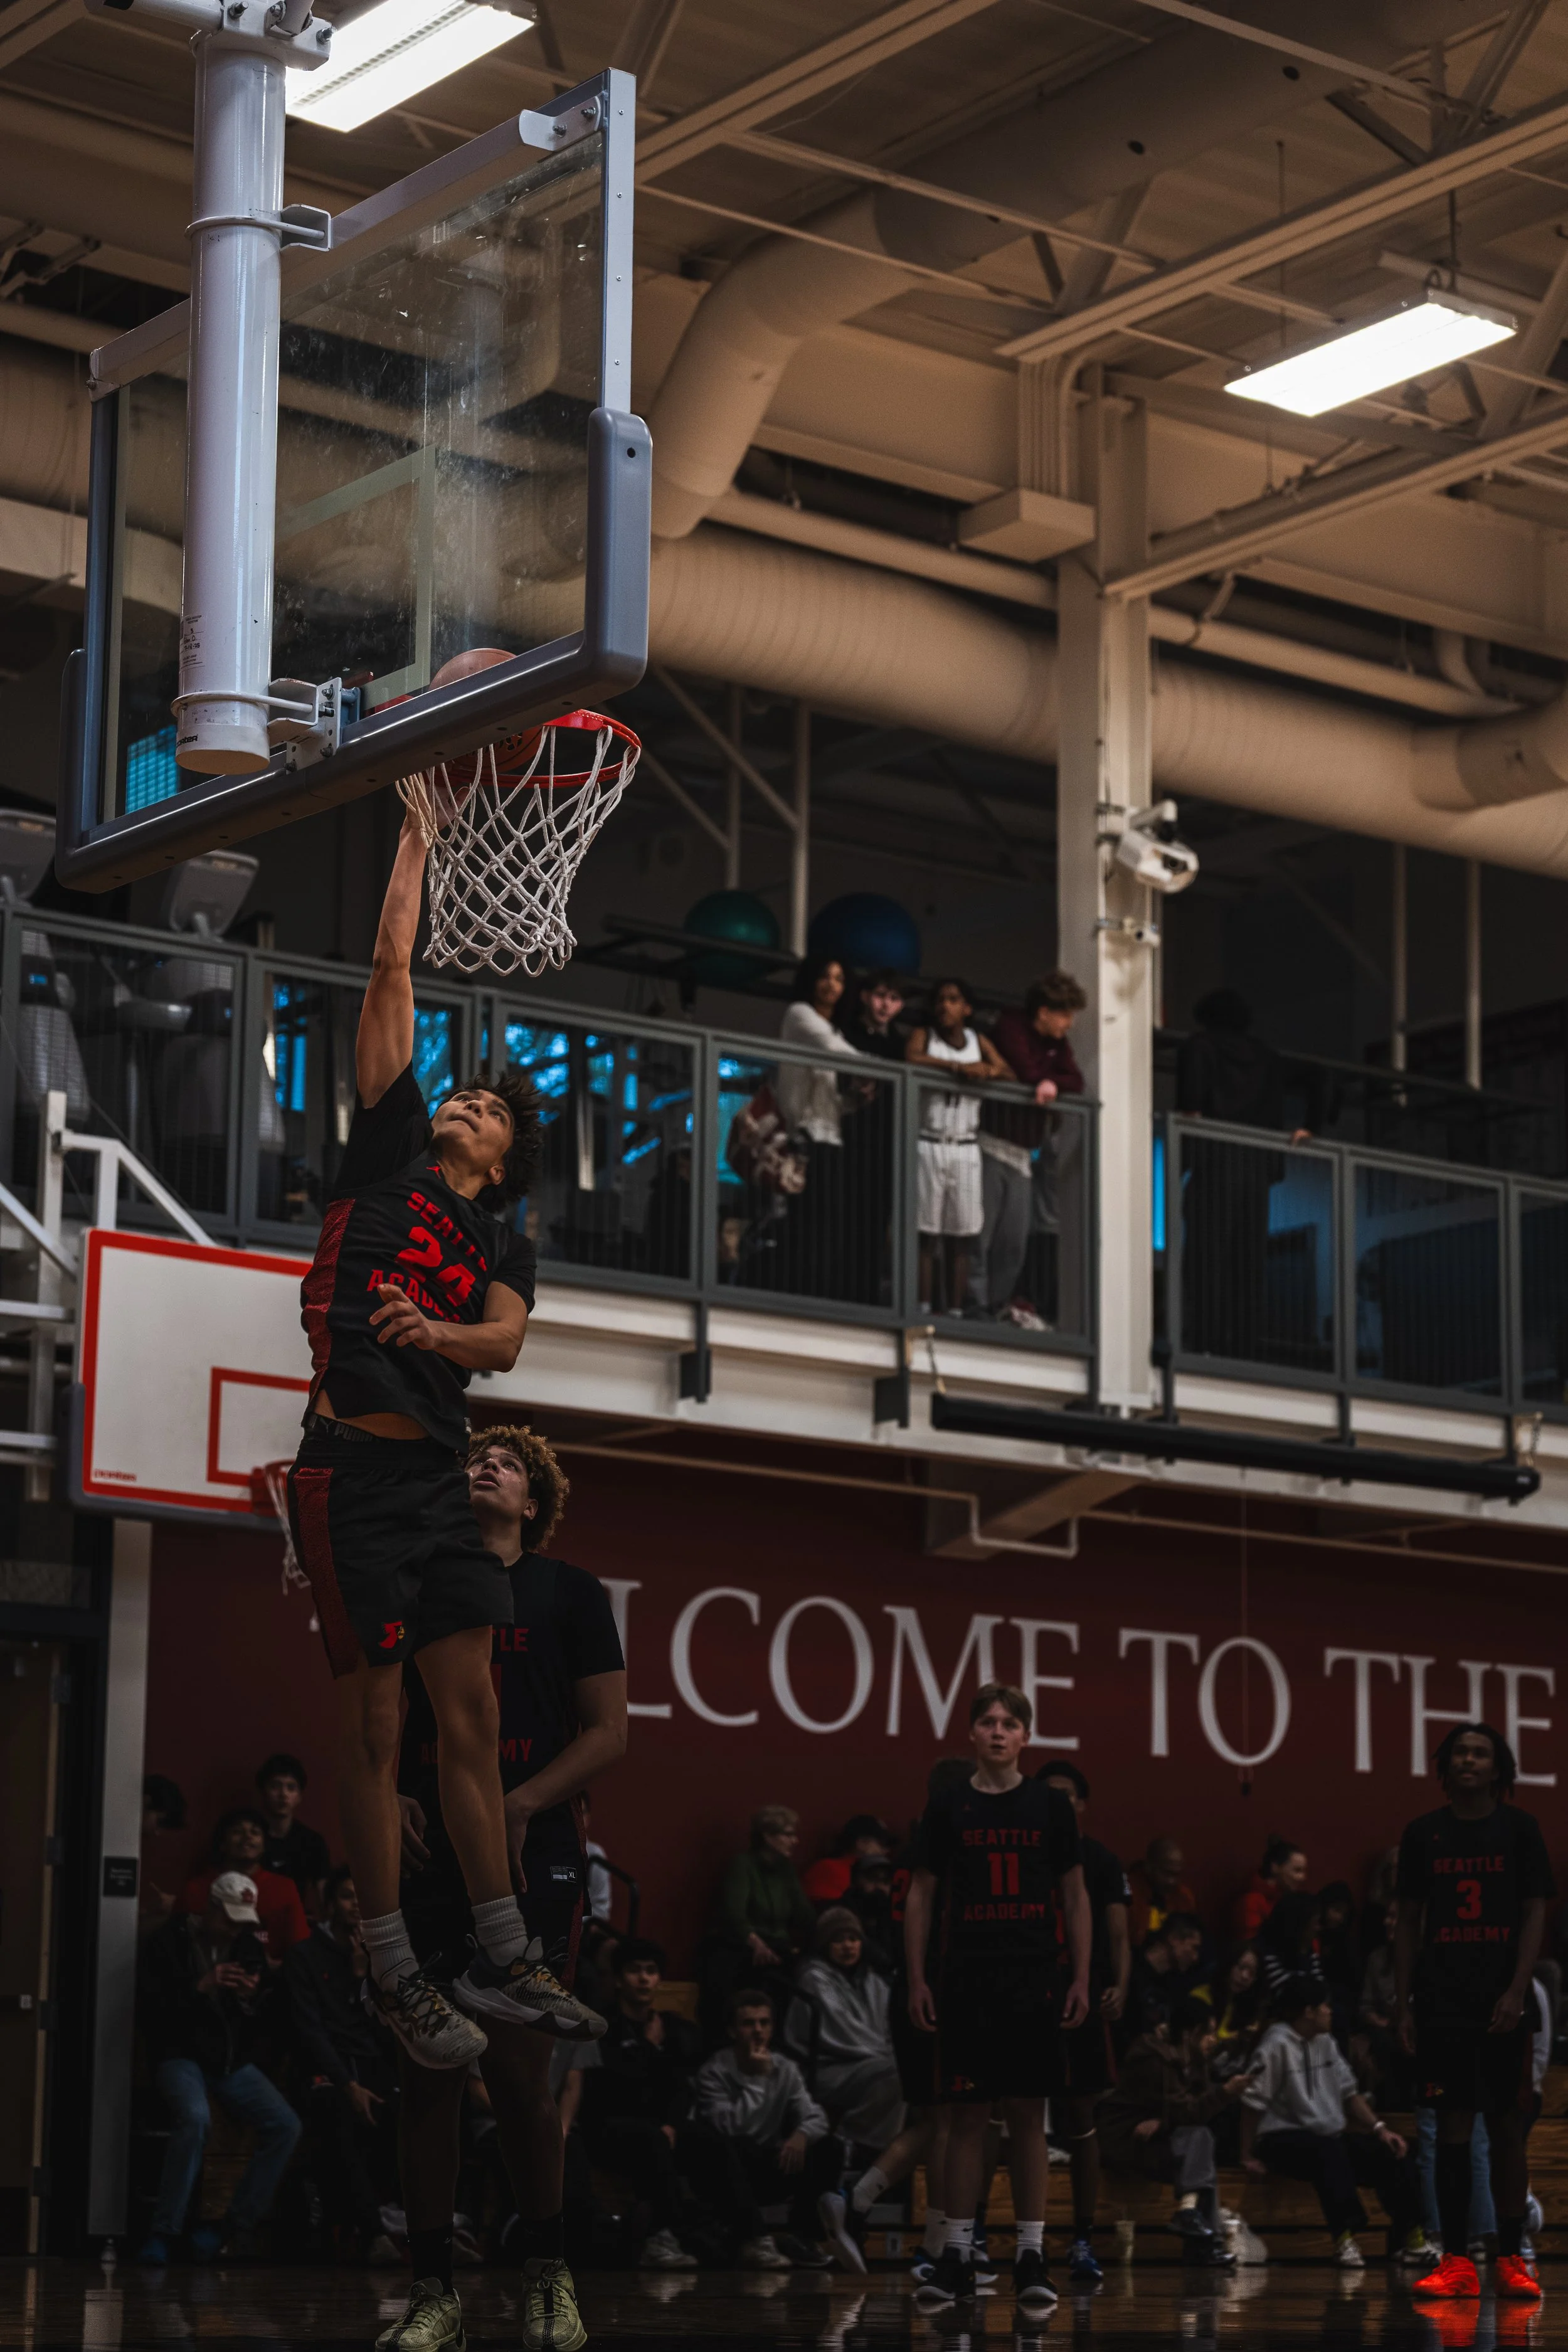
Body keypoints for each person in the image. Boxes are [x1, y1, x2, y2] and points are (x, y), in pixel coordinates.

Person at [284, 776, 595, 2065]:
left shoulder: (502, 1235)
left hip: (434, 1487)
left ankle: (504, 1952)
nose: (464, 1105)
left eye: (487, 1108)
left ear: (507, 1152)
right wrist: (420, 827)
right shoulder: (388, 1158)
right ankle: (392, 1966)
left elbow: (507, 1342)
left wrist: (439, 1334)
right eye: (459, 1098)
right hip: (350, 1471)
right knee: (375, 1725)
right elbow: (390, 965)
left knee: (467, 1714)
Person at [385, 1422, 627, 2352]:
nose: (486, 1464)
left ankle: (548, 2273)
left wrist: (518, 1803)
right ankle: (433, 2291)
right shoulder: (419, 1578)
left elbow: (610, 1732)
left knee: (522, 2076)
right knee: (426, 2076)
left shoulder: (569, 1591)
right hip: (428, 1846)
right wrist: (396, 1796)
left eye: (510, 1464)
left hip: (537, 1847)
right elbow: (384, 1715)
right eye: (474, 1458)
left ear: (534, 1504)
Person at [904, 1683, 1091, 2313]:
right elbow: (921, 1896)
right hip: (964, 1977)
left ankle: (1031, 2255)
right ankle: (958, 2254)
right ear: (971, 1734)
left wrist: (1082, 1977)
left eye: (1009, 1722)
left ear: (1025, 1736)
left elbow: (1075, 1895)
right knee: (963, 2118)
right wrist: (917, 1978)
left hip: (1032, 1975)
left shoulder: (1050, 1806)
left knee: (1027, 2117)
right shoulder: (947, 1805)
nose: (997, 1731)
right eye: (987, 1721)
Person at [1394, 1720, 1555, 2302]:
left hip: (1503, 2003)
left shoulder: (1520, 1830)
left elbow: (1536, 1912)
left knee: (1509, 2131)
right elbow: (1408, 1923)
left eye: (1480, 1752)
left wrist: (1517, 1990)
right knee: (1453, 2131)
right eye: (1459, 1751)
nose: (1468, 1760)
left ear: (1498, 1768)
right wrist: (1404, 2001)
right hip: (1442, 2002)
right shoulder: (1422, 1835)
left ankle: (1512, 2256)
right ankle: (1457, 2259)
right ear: (1445, 1765)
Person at [136, 1871, 303, 2263]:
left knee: (286, 2125)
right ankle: (164, 2231)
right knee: (195, 2120)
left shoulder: (245, 1945)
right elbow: (153, 2013)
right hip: (178, 2055)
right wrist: (201, 1987)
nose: (234, 1929)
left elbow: (258, 2017)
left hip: (227, 2060)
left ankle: (230, 2226)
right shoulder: (168, 1942)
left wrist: (249, 1999)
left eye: (242, 1920)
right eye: (229, 1919)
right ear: (210, 1909)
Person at [1241, 1976, 1431, 2270]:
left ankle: (1411, 2239)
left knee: (1397, 2151)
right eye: (1325, 2006)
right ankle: (1344, 2239)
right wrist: (1247, 2154)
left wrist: (1381, 2129)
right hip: (1281, 2139)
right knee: (1327, 2151)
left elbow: (1350, 2094)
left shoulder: (1326, 2042)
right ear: (1308, 2011)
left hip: (1328, 2138)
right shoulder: (1275, 2044)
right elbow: (1253, 2104)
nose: (1331, 2011)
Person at [787, 1908, 928, 2272]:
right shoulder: (813, 1978)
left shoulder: (873, 1980)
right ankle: (858, 2148)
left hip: (872, 2063)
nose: (848, 1946)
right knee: (897, 2075)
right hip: (830, 2067)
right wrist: (893, 2058)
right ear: (825, 1945)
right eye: (839, 1940)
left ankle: (865, 2177)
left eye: (853, 1939)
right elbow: (843, 2036)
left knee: (918, 2085)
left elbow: (889, 2030)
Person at [1036, 1756, 1131, 2284]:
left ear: (1082, 1803)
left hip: (1082, 1996)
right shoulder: (1026, 1853)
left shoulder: (1099, 1860)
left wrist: (1119, 1983)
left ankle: (1082, 2239)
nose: (1058, 1803)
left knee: (1081, 2120)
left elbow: (1118, 1934)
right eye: (1048, 1793)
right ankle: (987, 2235)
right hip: (1029, 1993)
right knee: (1012, 2115)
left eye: (1066, 1794)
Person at [1175, 990, 1308, 1362]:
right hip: (1256, 1167)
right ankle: (1244, 1346)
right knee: (1247, 1259)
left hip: (1215, 1161)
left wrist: (1180, 1165)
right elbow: (1318, 1078)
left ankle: (1203, 1342)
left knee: (1205, 1254)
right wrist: (1311, 1126)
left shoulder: (1199, 1048)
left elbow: (1192, 1107)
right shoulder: (1267, 1057)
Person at [284, 1865, 400, 2262]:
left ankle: (426, 2226)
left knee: (413, 2114)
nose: (357, 1906)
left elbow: (385, 2035)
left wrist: (364, 1975)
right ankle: (373, 2233)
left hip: (372, 2069)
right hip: (325, 2071)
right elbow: (310, 2031)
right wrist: (347, 2085)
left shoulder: (381, 1956)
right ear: (331, 1903)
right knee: (339, 2117)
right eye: (349, 1896)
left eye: (364, 1897)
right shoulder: (304, 1955)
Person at [686, 1989, 837, 2270]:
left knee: (829, 2147)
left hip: (768, 2165)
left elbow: (816, 2117)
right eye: (749, 2024)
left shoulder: (784, 2067)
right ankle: (752, 2238)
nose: (758, 2031)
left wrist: (801, 2135)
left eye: (764, 2023)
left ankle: (802, 2237)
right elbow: (733, 2128)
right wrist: (758, 2079)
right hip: (727, 2174)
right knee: (738, 2145)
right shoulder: (715, 2071)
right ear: (733, 2031)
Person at [578, 1937, 701, 2271]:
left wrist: (673, 2123)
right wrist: (649, 2049)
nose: (644, 1979)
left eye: (651, 1971)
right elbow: (614, 2092)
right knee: (651, 2139)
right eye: (635, 1971)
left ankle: (748, 2236)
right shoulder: (603, 2027)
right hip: (608, 2129)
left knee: (710, 2138)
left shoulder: (672, 2028)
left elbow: (682, 2088)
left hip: (660, 2128)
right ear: (619, 1979)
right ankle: (661, 2237)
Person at [1095, 1995, 1246, 2264]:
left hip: (1160, 2138)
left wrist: (1164, 2122)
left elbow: (1181, 2112)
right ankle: (1197, 2230)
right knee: (1200, 2141)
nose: (1213, 2040)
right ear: (1190, 2033)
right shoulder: (1154, 2058)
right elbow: (1187, 2111)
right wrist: (1225, 2093)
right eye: (1208, 2033)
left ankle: (1201, 2236)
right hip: (1127, 2139)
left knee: (1201, 2149)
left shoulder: (1194, 2061)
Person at [975, 972, 1087, 1327]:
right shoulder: (1011, 1027)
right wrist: (1045, 1075)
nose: (1069, 1024)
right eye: (1065, 1015)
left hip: (1023, 1152)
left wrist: (1051, 1079)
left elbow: (1075, 1079)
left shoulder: (1057, 1044)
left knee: (1014, 1240)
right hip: (991, 1143)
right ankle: (974, 1302)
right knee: (981, 1232)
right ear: (1044, 1012)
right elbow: (1024, 1069)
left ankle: (998, 1303)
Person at [906, 978, 1014, 1315]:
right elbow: (912, 1059)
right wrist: (956, 1068)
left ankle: (955, 1310)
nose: (945, 1006)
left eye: (953, 1000)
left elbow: (1009, 1074)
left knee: (962, 1235)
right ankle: (922, 1307)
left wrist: (988, 1070)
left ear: (967, 1008)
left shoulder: (978, 1041)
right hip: (929, 1140)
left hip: (966, 1145)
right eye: (940, 999)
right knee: (927, 1233)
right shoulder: (925, 1036)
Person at [773, 954, 868, 1300]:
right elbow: (831, 1050)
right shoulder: (799, 1015)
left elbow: (832, 1095)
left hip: (831, 1136)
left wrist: (855, 1100)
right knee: (806, 1224)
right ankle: (797, 1297)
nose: (832, 985)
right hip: (803, 1135)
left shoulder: (837, 1031)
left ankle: (820, 1296)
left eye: (840, 978)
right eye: (826, 976)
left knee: (829, 1226)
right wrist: (873, 1068)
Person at [707, 1806, 818, 2032]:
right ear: (767, 1836)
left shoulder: (785, 1869)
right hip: (744, 1949)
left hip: (779, 1949)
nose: (794, 1841)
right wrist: (757, 1944)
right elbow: (734, 1915)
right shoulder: (743, 1865)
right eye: (787, 1834)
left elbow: (803, 1913)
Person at [181, 1808, 309, 1957]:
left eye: (255, 1833)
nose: (247, 1837)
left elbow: (301, 1949)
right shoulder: (196, 1889)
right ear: (222, 1844)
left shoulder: (284, 1888)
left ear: (264, 1846)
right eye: (237, 1832)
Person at [256, 1752, 331, 1912]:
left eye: (291, 1787)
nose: (283, 1795)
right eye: (276, 1786)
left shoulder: (311, 1842)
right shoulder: (249, 1838)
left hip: (293, 1924)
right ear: (264, 1791)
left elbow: (324, 1896)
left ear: (299, 1796)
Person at [1129, 1914, 1205, 2037]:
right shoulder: (1130, 1966)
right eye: (1194, 1947)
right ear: (1174, 1939)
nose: (1195, 1958)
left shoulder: (1174, 1988)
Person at [802, 1816, 895, 1907]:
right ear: (861, 1843)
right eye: (882, 1844)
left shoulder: (882, 1872)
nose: (886, 1851)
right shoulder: (828, 1869)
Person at [1126, 1836, 1198, 1946]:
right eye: (1166, 1873)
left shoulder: (1184, 1897)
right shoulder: (1129, 1892)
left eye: (1176, 1875)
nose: (1172, 1881)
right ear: (1149, 1867)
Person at [1237, 1836, 1309, 1941]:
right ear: (1275, 1867)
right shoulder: (1252, 1902)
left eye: (1303, 1871)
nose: (1302, 1877)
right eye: (1297, 1871)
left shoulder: (1293, 1901)